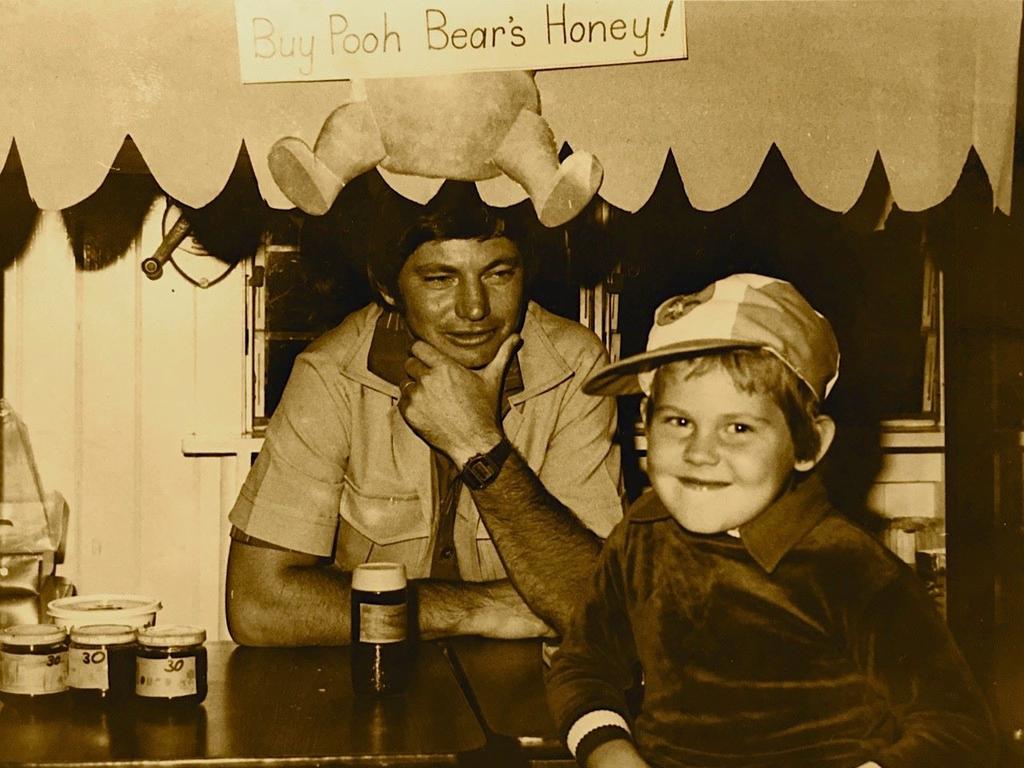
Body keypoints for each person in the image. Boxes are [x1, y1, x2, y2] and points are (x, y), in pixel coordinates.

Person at [545, 273, 996, 768]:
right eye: (679, 421)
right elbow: (582, 664)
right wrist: (609, 751)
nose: (699, 452)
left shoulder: (852, 569)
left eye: (738, 427)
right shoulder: (640, 537)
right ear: (647, 420)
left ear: (808, 444)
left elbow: (959, 729)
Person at [225, 196, 623, 645]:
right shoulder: (330, 373)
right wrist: (479, 610)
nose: (475, 308)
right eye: (440, 278)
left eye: (498, 273)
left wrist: (479, 444)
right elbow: (256, 605)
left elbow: (597, 606)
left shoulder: (576, 366)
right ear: (389, 287)